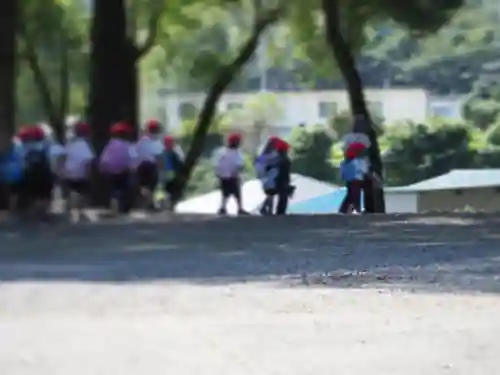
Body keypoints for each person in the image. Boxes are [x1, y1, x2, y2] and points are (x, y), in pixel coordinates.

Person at [99, 122, 135, 214]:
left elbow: (103, 159)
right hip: (124, 171)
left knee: (114, 188)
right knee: (125, 187)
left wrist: (103, 168)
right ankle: (124, 207)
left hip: (110, 172)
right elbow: (133, 159)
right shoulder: (127, 145)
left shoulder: (109, 145)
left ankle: (114, 206)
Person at [62, 122, 95, 221]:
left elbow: (64, 157)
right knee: (82, 192)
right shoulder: (85, 145)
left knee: (73, 190)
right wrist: (89, 172)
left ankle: (71, 209)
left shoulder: (70, 144)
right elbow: (88, 160)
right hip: (81, 173)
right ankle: (79, 211)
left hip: (68, 172)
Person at [22, 125, 54, 218]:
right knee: (45, 194)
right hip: (45, 172)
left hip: (31, 173)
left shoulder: (26, 146)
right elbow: (51, 158)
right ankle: (44, 213)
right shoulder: (47, 145)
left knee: (33, 194)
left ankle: (34, 213)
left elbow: (23, 160)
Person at [214, 133, 247, 215]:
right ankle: (239, 208)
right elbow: (240, 165)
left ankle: (223, 208)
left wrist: (218, 173)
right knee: (237, 192)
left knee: (225, 192)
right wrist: (239, 172)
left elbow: (216, 164)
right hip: (233, 176)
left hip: (223, 176)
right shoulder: (237, 153)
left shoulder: (221, 151)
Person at [135, 119, 164, 210]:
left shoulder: (141, 141)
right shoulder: (156, 142)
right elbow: (159, 157)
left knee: (144, 186)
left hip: (140, 166)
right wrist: (161, 170)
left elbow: (136, 153)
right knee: (151, 186)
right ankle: (150, 204)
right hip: (150, 166)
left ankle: (146, 203)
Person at [338, 143, 367, 213]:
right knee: (355, 196)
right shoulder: (359, 161)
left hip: (350, 181)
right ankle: (357, 209)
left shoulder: (344, 163)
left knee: (351, 195)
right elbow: (363, 171)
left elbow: (343, 174)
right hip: (357, 181)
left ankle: (344, 210)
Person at [255, 136, 280, 215]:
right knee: (271, 193)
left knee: (270, 193)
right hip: (269, 176)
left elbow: (258, 166)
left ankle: (266, 209)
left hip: (267, 176)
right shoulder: (273, 155)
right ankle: (267, 209)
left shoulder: (263, 155)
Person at [0, 133, 25, 212]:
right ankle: (12, 207)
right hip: (15, 176)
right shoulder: (17, 151)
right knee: (13, 193)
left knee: (10, 192)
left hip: (8, 177)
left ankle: (11, 207)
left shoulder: (5, 154)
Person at [160, 135, 184, 210]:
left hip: (172, 174)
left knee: (172, 190)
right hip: (166, 175)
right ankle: (167, 203)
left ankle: (171, 203)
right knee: (167, 190)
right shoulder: (163, 153)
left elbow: (180, 162)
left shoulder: (175, 152)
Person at [274, 139, 293, 215]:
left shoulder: (275, 159)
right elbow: (286, 172)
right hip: (283, 181)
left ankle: (278, 212)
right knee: (283, 198)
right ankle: (280, 213)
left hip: (276, 181)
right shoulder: (285, 160)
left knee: (281, 198)